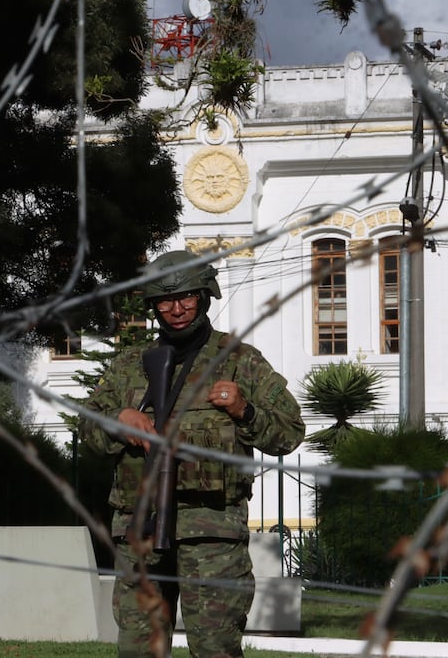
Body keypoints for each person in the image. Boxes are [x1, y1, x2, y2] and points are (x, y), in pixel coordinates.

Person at [80, 250, 306, 658]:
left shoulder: (240, 361)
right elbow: (87, 432)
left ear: (204, 297)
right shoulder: (129, 366)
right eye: (165, 300)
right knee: (138, 650)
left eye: (186, 296)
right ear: (153, 306)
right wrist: (118, 420)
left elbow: (289, 434)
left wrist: (245, 411)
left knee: (215, 649)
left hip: (212, 534)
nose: (177, 309)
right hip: (140, 530)